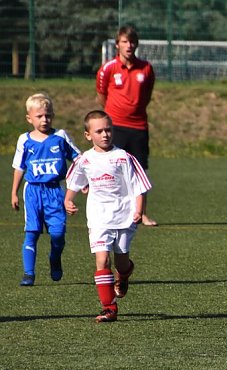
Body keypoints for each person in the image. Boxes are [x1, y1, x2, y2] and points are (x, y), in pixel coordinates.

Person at [65, 111, 151, 323]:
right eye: (99, 131)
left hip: (124, 215)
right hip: (98, 217)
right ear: (88, 135)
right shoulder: (85, 160)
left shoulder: (123, 157)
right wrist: (68, 200)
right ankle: (109, 308)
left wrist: (139, 210)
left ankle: (124, 274)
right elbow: (73, 182)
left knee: (121, 261)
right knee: (102, 260)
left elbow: (140, 187)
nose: (105, 134)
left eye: (108, 130)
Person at [10, 93, 81, 286]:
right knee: (31, 232)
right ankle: (28, 274)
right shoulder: (24, 140)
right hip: (32, 191)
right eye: (39, 116)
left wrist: (84, 182)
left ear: (53, 116)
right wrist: (14, 193)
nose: (44, 119)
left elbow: (78, 158)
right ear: (29, 118)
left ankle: (55, 258)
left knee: (58, 234)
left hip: (55, 191)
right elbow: (19, 167)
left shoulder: (60, 136)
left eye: (48, 115)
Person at [96, 25, 157, 226]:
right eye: (124, 41)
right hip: (116, 126)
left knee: (140, 171)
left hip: (139, 126)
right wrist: (114, 115)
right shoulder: (108, 68)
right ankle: (113, 211)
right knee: (113, 169)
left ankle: (143, 213)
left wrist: (135, 111)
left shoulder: (146, 68)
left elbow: (146, 95)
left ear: (136, 44)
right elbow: (101, 95)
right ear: (117, 45)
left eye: (132, 42)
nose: (128, 45)